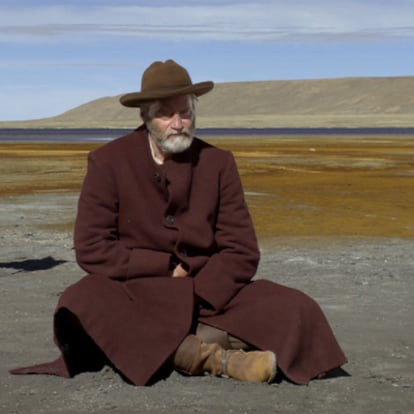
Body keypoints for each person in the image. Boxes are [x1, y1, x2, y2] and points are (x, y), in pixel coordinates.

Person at [11, 59, 347, 385]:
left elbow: (241, 251)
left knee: (296, 308)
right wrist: (162, 268)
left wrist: (193, 295)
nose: (178, 122)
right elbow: (91, 247)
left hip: (205, 295)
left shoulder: (218, 163)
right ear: (146, 117)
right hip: (132, 291)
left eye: (185, 112)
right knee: (81, 300)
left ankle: (168, 341)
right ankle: (214, 358)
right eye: (165, 114)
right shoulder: (108, 162)